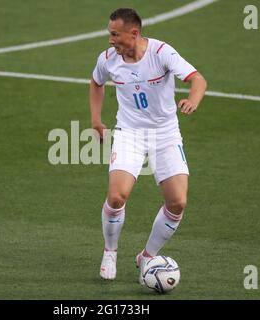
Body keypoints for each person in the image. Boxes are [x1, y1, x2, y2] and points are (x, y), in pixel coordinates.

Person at [89, 8, 207, 283]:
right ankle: (110, 250)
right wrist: (96, 120)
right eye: (109, 34)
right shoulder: (108, 60)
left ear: (134, 33)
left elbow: (197, 79)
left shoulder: (161, 53)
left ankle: (146, 256)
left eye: (114, 34)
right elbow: (96, 83)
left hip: (165, 134)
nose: (110, 40)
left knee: (177, 202)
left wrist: (193, 100)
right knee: (117, 196)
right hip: (129, 133)